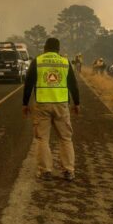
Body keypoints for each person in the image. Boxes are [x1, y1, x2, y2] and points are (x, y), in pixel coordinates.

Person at [22, 37, 80, 182]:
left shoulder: (38, 61)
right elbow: (73, 84)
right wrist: (77, 103)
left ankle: (45, 171)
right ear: (58, 49)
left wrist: (25, 103)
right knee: (66, 138)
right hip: (61, 105)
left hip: (42, 104)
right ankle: (68, 171)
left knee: (42, 138)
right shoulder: (65, 62)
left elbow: (28, 83)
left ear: (45, 48)